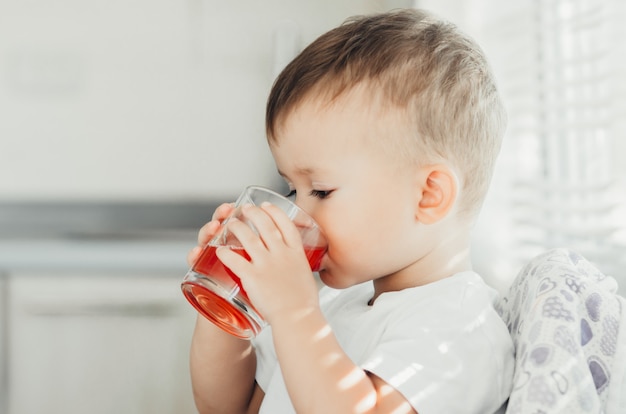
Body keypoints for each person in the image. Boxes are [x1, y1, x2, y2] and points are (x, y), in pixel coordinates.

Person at [186, 8, 514, 414]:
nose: (298, 213)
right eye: (293, 188)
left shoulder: (459, 328)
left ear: (429, 195)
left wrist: (294, 311)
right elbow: (229, 408)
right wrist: (228, 309)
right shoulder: (335, 304)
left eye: (321, 190)